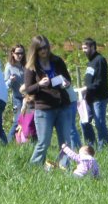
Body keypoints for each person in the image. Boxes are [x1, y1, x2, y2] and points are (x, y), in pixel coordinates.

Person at [24, 35, 73, 168]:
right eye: (40, 49)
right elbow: (28, 89)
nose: (44, 51)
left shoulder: (57, 61)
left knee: (65, 142)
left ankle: (64, 167)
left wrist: (66, 83)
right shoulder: (31, 67)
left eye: (46, 47)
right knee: (44, 142)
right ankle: (34, 167)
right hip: (44, 109)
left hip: (62, 106)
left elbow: (67, 79)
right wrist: (39, 84)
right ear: (35, 50)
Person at [80, 38, 108, 148]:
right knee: (84, 121)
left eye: (86, 48)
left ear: (93, 47)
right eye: (82, 48)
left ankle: (103, 147)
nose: (84, 51)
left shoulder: (100, 60)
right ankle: (90, 146)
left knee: (99, 123)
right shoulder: (90, 62)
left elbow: (100, 81)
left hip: (99, 98)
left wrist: (87, 88)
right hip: (88, 98)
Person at [3, 44, 26, 142]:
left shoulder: (25, 65)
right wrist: (11, 80)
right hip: (17, 98)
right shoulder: (9, 66)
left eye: (22, 53)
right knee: (18, 120)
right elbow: (5, 84)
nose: (20, 55)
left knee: (30, 120)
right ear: (12, 54)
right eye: (17, 53)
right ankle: (8, 142)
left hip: (28, 97)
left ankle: (25, 140)